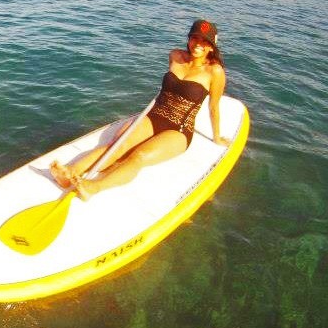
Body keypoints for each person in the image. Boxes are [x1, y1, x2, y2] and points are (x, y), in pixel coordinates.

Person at [50, 19, 231, 201]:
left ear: (211, 46)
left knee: (139, 156)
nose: (198, 44)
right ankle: (70, 173)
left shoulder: (214, 72)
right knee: (118, 145)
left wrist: (217, 137)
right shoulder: (175, 56)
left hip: (179, 129)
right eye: (195, 38)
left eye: (204, 41)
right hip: (154, 116)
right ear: (189, 38)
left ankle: (94, 187)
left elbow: (213, 106)